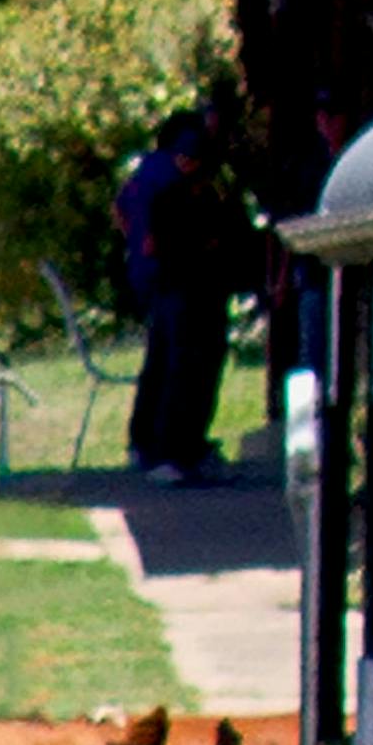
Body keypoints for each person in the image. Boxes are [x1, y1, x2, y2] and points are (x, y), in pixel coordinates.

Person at [126, 102, 241, 484]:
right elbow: (159, 242)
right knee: (178, 369)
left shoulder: (184, 193)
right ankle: (168, 448)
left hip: (187, 288)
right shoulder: (172, 196)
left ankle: (178, 446)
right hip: (180, 287)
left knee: (184, 368)